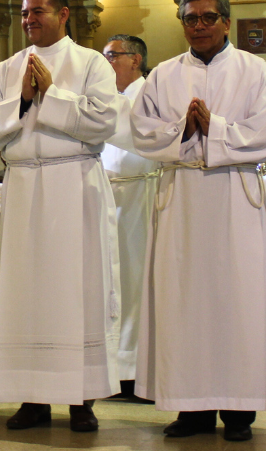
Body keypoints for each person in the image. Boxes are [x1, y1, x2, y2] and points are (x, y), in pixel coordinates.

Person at [130, 0, 266, 442]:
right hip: (181, 198)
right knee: (183, 301)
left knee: (238, 299)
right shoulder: (162, 75)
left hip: (233, 196)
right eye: (189, 18)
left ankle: (239, 411)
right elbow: (142, 133)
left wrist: (213, 128)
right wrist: (183, 130)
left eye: (206, 17)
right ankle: (190, 408)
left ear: (225, 21)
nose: (197, 26)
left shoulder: (255, 71)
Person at [0, 0, 122, 432]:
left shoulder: (91, 62)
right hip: (24, 185)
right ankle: (31, 397)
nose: (28, 19)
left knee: (77, 288)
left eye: (38, 11)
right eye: (24, 13)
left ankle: (82, 400)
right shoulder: (8, 67)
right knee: (25, 292)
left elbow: (105, 121)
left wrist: (52, 94)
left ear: (63, 15)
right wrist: (20, 98)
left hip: (73, 182)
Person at [100, 33, 159, 400]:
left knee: (136, 283)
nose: (105, 63)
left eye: (111, 56)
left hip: (140, 193)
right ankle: (114, 366)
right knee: (112, 284)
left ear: (135, 59)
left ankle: (136, 371)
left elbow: (145, 137)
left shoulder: (150, 92)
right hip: (108, 195)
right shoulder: (106, 96)